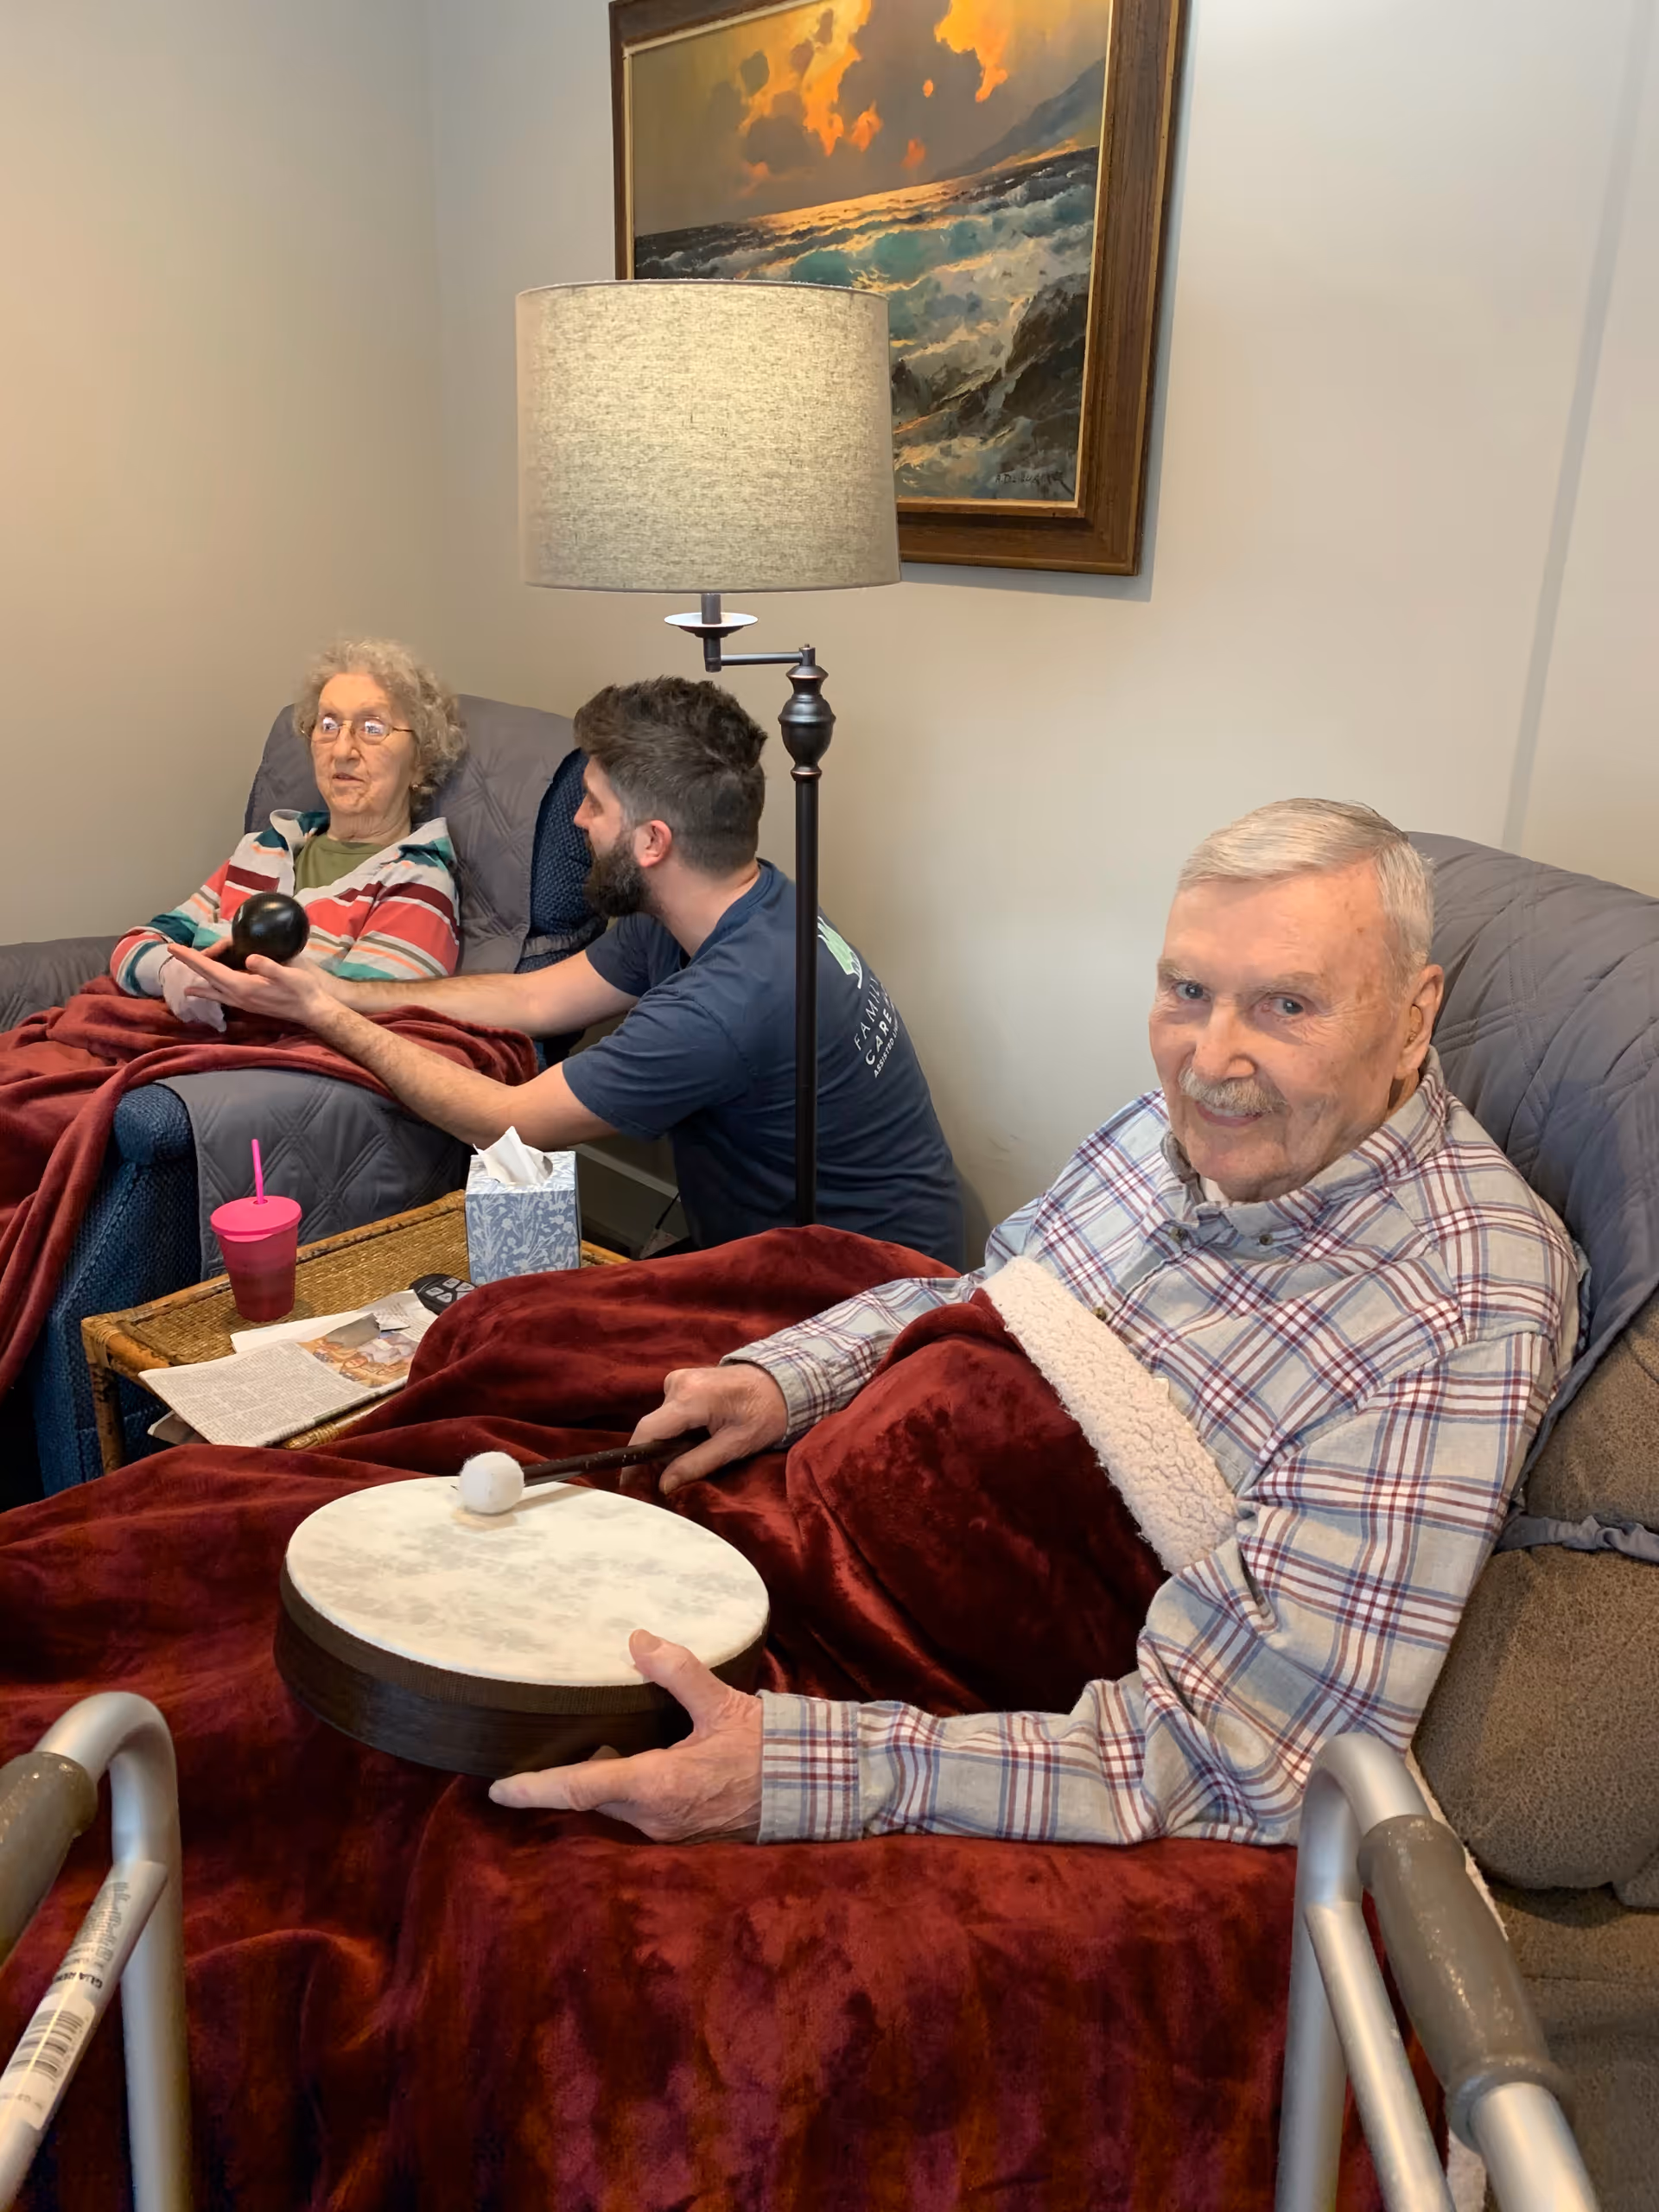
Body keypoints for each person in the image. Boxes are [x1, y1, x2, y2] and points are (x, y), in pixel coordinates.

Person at [486, 798, 1580, 1850]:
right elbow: (981, 1295)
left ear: (1413, 1016)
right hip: (806, 1515)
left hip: (924, 1702)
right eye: (1188, 990)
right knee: (473, 1474)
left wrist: (796, 1773)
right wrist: (782, 1381)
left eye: (1288, 1005)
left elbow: (1238, 1754)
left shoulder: (1466, 1302)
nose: (1210, 1061)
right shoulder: (1172, 1122)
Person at [170, 676, 963, 1265]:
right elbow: (532, 995)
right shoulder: (718, 904)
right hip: (780, 1249)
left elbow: (504, 1119)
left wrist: (324, 1017)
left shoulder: (724, 1004)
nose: (577, 823)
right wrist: (350, 988)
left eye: (592, 805)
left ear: (651, 842)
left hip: (866, 1293)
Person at [111, 638, 466, 1028]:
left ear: (421, 761)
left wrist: (222, 985)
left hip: (264, 1074)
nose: (343, 750)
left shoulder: (415, 879)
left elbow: (371, 1026)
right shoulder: (264, 849)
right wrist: (169, 973)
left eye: (372, 727)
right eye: (328, 725)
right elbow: (136, 945)